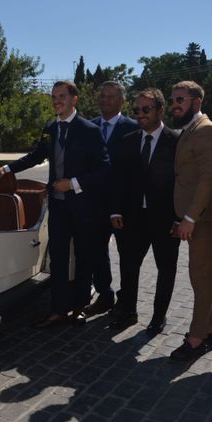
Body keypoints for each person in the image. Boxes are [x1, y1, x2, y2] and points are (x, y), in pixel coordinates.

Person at [0, 80, 111, 326]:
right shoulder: (50, 128)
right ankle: (58, 309)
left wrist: (74, 183)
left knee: (83, 257)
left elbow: (104, 169)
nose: (57, 100)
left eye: (62, 96)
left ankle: (79, 306)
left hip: (82, 207)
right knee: (57, 257)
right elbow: (36, 156)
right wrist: (6, 167)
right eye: (54, 96)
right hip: (57, 207)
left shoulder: (89, 130)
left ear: (74, 99)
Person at [108, 88, 180, 334]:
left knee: (166, 269)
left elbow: (183, 182)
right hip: (132, 217)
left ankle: (158, 317)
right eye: (137, 110)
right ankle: (128, 312)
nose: (140, 114)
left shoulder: (176, 142)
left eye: (146, 109)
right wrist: (115, 210)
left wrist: (180, 218)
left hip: (165, 219)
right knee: (128, 266)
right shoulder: (128, 140)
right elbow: (118, 179)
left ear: (160, 110)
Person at [169, 80, 212, 361]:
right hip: (196, 216)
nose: (175, 104)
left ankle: (196, 338)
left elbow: (207, 179)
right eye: (173, 99)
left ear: (197, 102)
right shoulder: (190, 128)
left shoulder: (205, 131)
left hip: (203, 218)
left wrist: (190, 217)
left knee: (200, 276)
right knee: (211, 273)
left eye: (180, 99)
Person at [85, 81, 138, 317]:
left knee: (128, 256)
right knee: (97, 251)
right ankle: (105, 295)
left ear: (122, 101)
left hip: (124, 206)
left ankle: (127, 303)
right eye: (103, 96)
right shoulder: (89, 127)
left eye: (111, 97)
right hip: (95, 204)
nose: (105, 100)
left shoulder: (134, 128)